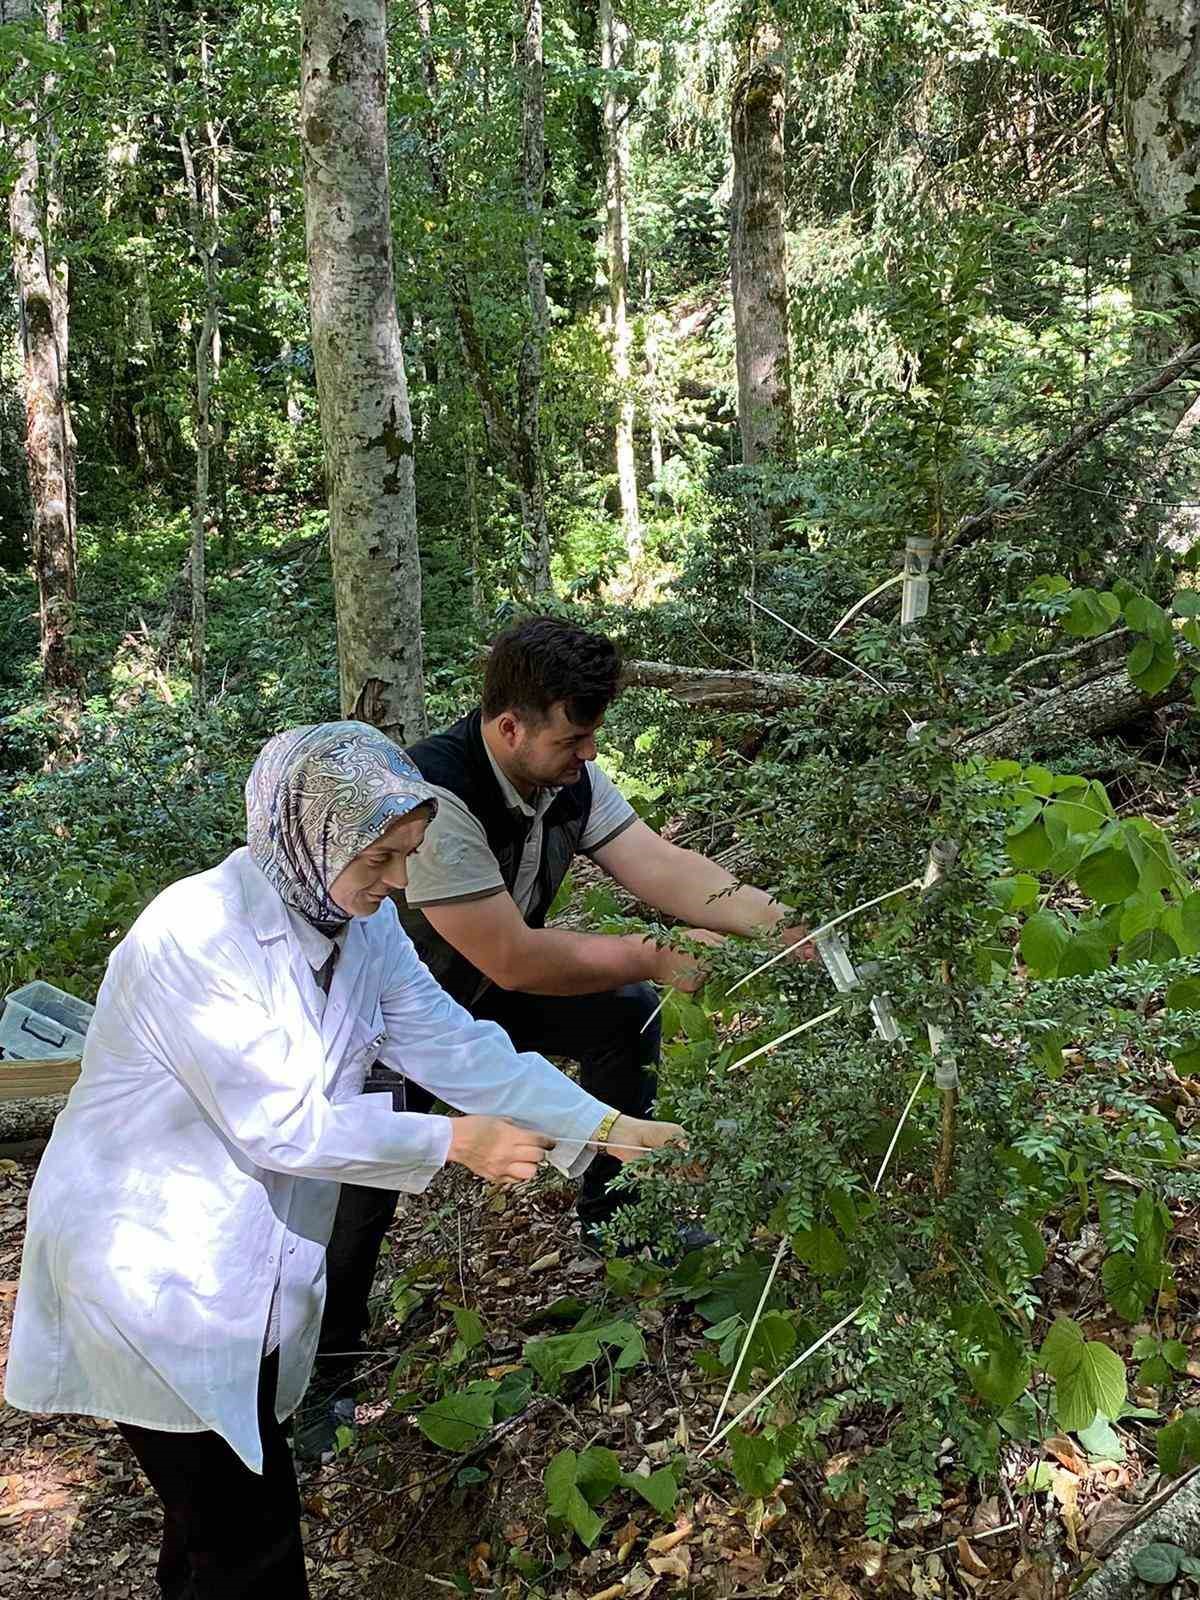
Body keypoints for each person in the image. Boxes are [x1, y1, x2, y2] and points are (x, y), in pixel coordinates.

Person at [4, 721, 682, 1600]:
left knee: (213, 1529)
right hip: (148, 1269)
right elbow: (278, 1121)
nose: (399, 884)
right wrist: (452, 1140)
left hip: (240, 1270)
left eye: (409, 855)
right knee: (248, 1540)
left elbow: (458, 1049)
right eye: (381, 860)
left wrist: (610, 1129)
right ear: (306, 833)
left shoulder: (361, 931)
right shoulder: (195, 935)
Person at [308, 620, 811, 1454]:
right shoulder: (436, 797)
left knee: (625, 1012)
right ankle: (328, 1371)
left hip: (483, 1000)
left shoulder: (569, 779)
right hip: (398, 1017)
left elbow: (665, 866)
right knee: (364, 1193)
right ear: (511, 727)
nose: (585, 755)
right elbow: (513, 957)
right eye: (572, 738)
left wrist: (781, 924)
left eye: (590, 739)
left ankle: (613, 1217)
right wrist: (661, 952)